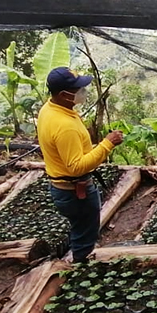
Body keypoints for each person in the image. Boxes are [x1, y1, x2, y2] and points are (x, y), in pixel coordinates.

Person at [37, 67, 124, 263]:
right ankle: (81, 266)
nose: (83, 91)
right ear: (64, 95)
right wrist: (107, 144)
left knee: (81, 228)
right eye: (79, 89)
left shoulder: (49, 109)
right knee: (85, 234)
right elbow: (76, 167)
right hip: (75, 192)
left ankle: (82, 254)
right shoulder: (64, 126)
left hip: (63, 188)